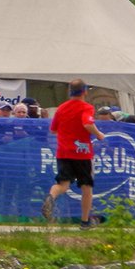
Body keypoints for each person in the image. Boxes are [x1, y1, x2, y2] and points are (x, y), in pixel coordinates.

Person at [44, 80, 108, 228]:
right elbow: (87, 123)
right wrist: (98, 134)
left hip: (63, 152)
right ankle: (85, 221)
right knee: (86, 187)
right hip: (82, 153)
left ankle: (51, 196)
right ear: (85, 91)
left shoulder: (61, 108)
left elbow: (53, 130)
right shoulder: (86, 107)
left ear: (69, 91)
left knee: (63, 184)